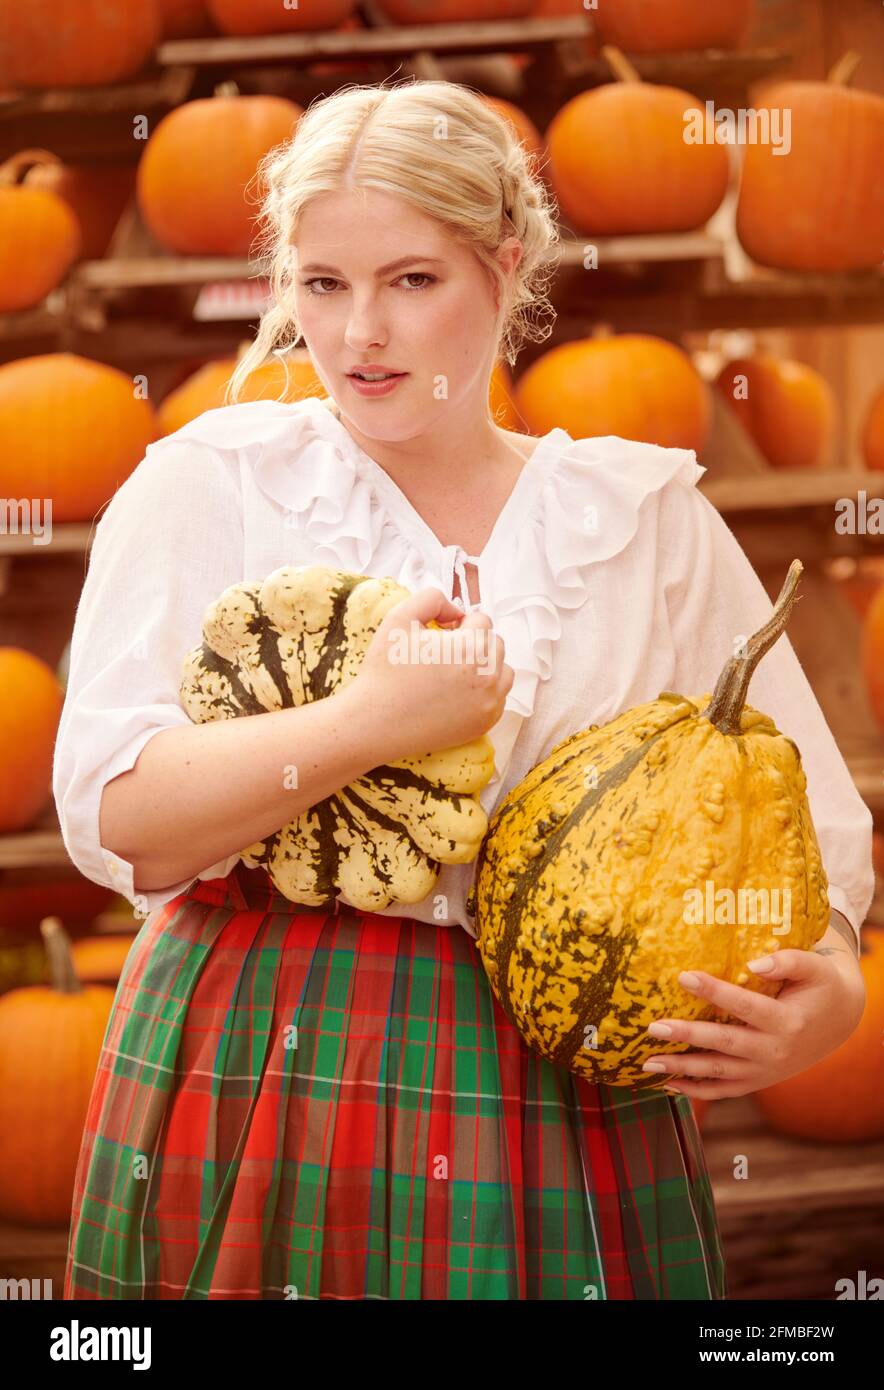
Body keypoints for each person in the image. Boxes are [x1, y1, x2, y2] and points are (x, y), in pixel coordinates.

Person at [53, 79, 873, 1301]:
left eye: (410, 280)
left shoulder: (640, 519)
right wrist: (366, 724)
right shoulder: (212, 487)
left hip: (558, 1066)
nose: (358, 334)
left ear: (503, 266)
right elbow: (114, 815)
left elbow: (798, 830)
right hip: (261, 1046)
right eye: (322, 284)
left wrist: (831, 994)